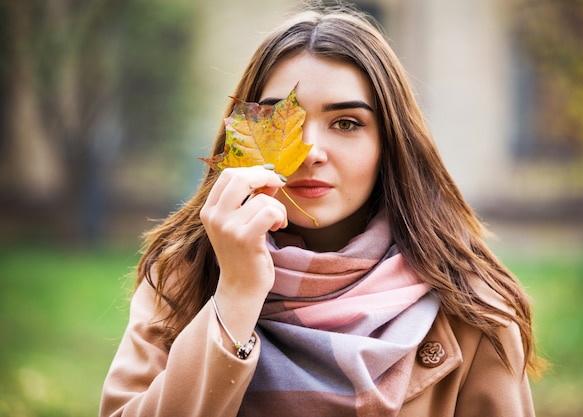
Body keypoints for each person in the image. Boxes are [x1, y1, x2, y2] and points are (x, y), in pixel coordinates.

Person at [99, 5, 543, 417]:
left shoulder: (471, 308)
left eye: (346, 123)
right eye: (280, 123)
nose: (309, 152)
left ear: (389, 143)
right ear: (242, 139)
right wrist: (233, 297)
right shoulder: (184, 277)